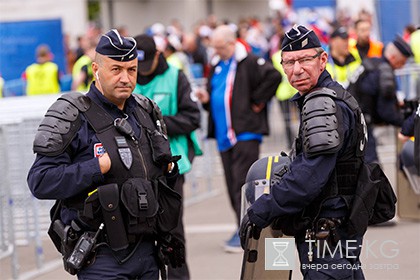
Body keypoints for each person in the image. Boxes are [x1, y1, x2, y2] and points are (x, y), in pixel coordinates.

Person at [27, 29, 184, 280]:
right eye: (116, 69)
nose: (125, 78)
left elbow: (159, 182)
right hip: (102, 256)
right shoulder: (72, 115)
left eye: (131, 70)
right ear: (96, 69)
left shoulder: (146, 112)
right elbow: (41, 180)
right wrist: (94, 168)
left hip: (148, 254)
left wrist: (168, 171)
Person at [240, 25, 369, 279]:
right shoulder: (331, 97)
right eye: (288, 62)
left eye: (304, 59)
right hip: (338, 230)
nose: (296, 70)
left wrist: (261, 210)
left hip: (327, 234)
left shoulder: (322, 103)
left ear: (322, 60)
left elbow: (309, 178)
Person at [195, 24, 281, 253]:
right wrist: (206, 100)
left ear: (232, 44)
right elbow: (218, 94)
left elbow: (273, 77)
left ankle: (250, 229)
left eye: (220, 47)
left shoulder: (250, 61)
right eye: (214, 47)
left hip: (245, 132)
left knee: (243, 185)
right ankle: (241, 226)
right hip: (224, 135)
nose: (216, 51)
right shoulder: (216, 65)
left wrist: (257, 101)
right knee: (232, 184)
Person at [133, 33, 202, 280]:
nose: (139, 71)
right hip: (135, 169)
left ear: (158, 56)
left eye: (144, 64)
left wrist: (154, 125)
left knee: (172, 230)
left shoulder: (175, 76)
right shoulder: (126, 76)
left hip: (170, 168)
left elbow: (192, 117)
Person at [347, 35, 413, 163]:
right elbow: (387, 112)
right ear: (394, 58)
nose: (402, 67)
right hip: (359, 123)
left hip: (347, 118)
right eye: (403, 62)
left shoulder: (371, 62)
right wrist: (409, 124)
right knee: (372, 169)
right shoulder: (385, 73)